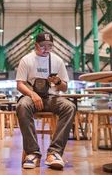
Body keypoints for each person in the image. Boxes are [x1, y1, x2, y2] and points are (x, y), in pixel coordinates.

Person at [16, 32, 76, 170]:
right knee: (22, 106)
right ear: (36, 45)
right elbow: (20, 84)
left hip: (50, 97)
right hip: (31, 97)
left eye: (50, 46)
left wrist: (58, 81)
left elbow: (64, 88)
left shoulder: (57, 61)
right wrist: (32, 94)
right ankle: (33, 153)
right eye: (43, 46)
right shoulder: (26, 60)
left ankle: (54, 153)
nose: (47, 49)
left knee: (70, 107)